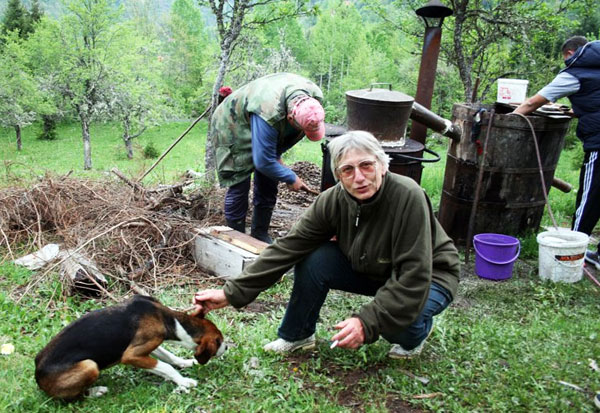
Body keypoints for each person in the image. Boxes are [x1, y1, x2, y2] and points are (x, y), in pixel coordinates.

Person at [193, 131, 460, 358]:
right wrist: (230, 293)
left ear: (383, 165)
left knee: (401, 326)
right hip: (373, 268)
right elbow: (288, 248)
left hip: (430, 276)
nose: (359, 177)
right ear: (338, 176)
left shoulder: (408, 195)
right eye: (348, 170)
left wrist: (366, 322)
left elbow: (414, 275)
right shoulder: (332, 200)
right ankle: (298, 335)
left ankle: (419, 333)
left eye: (366, 165)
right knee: (313, 257)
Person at [514, 36, 600, 269]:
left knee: (590, 198)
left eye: (565, 59)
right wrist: (576, 111)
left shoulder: (575, 72)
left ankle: (574, 251)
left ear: (571, 53)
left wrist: (511, 120)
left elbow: (532, 103)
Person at [211, 73, 325, 243]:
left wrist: (276, 159)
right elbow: (263, 161)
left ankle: (260, 233)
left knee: (269, 179)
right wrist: (291, 177)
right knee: (239, 183)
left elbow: (275, 143)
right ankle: (236, 239)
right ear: (290, 118)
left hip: (262, 117)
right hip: (233, 124)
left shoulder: (313, 98)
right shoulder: (269, 113)